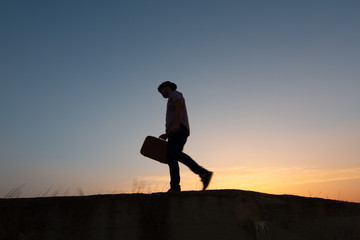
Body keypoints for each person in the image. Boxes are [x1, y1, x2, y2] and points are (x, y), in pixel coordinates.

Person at [158, 81, 213, 192]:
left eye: (161, 91)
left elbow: (180, 107)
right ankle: (175, 187)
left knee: (174, 154)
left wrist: (177, 124)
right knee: (171, 157)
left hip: (179, 129)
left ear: (167, 87)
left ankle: (203, 172)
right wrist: (167, 134)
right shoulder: (170, 100)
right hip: (174, 131)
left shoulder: (175, 94)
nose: (161, 94)